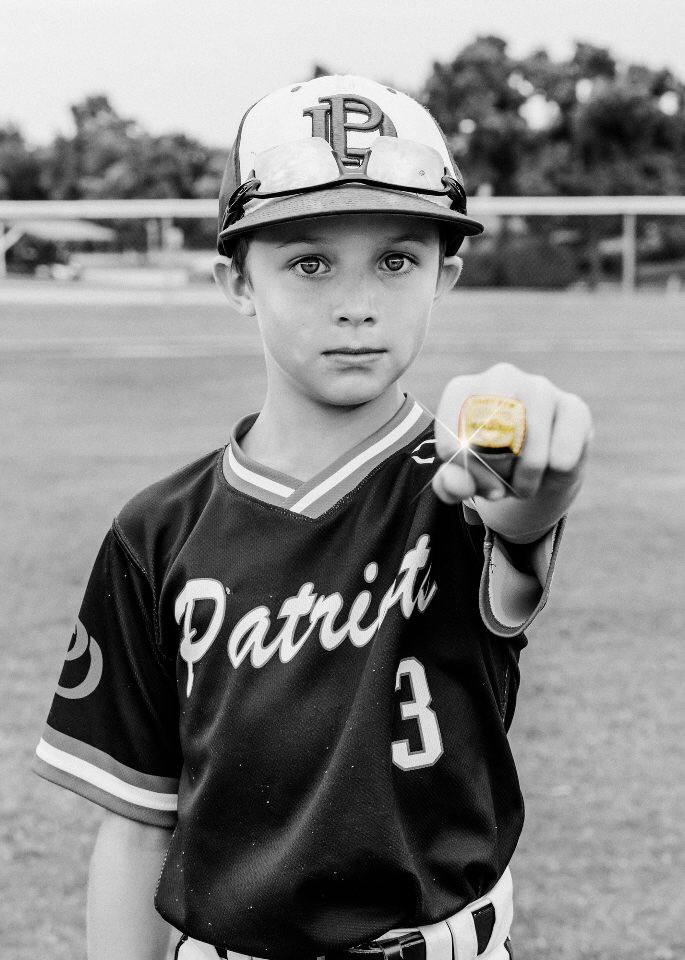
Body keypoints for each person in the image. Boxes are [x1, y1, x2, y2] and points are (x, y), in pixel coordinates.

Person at [34, 75, 592, 960]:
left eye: (396, 260)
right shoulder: (157, 533)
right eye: (307, 261)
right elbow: (142, 825)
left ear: (444, 271)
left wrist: (535, 441)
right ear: (236, 280)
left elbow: (524, 506)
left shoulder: (460, 484)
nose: (356, 301)